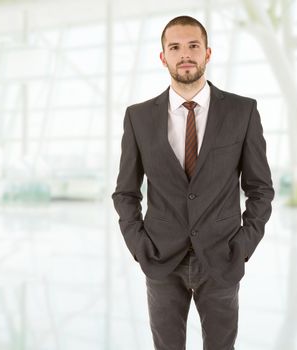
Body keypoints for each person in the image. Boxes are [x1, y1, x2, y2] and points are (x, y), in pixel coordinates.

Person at [112, 15, 274, 350]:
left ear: (208, 53)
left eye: (193, 46)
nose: (185, 54)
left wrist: (243, 247)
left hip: (222, 258)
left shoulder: (242, 112)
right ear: (163, 57)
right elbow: (126, 192)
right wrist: (139, 247)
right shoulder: (138, 118)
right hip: (160, 259)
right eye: (175, 47)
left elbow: (260, 189)